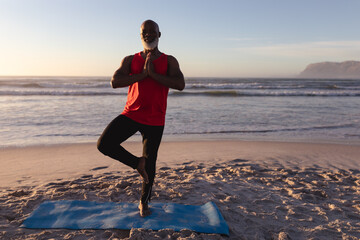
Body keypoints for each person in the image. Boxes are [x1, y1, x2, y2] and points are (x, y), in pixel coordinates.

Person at [97, 20, 185, 217]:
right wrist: (142, 75)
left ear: (159, 34)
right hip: (131, 114)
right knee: (104, 144)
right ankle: (137, 163)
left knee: (151, 162)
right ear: (140, 36)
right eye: (144, 32)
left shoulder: (169, 60)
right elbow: (115, 82)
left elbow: (180, 84)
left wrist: (153, 74)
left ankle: (144, 203)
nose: (148, 35)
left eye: (152, 32)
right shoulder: (130, 59)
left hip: (155, 118)